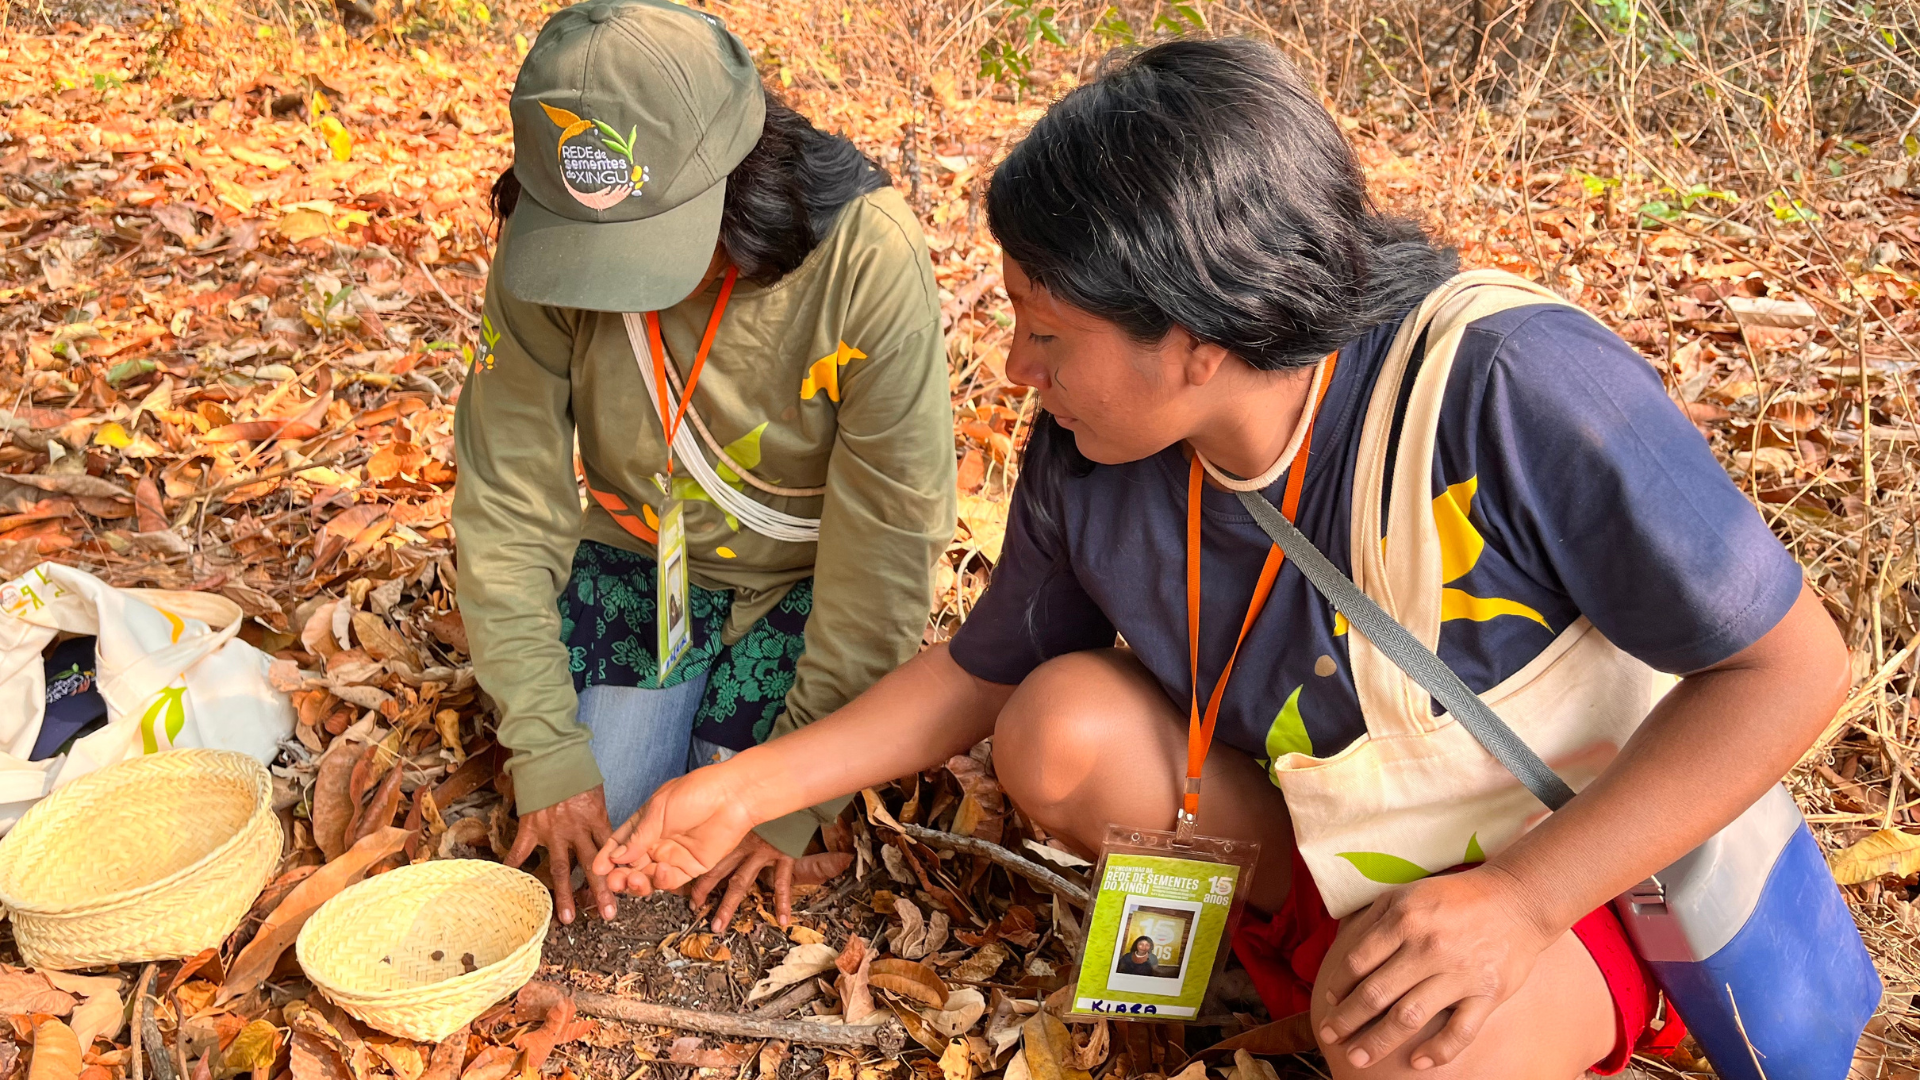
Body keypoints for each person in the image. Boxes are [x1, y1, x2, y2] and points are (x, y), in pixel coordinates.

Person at [594, 38, 1849, 1079]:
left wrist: (1520, 903)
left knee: (1413, 1049)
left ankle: (1517, 1002)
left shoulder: (1505, 386)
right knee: (1055, 725)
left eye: (1047, 333)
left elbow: (1791, 672)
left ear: (1190, 337)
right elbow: (980, 675)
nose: (1018, 370)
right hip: (1336, 829)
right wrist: (747, 788)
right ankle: (1309, 955)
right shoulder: (1098, 449)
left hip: (1576, 865)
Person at [454, 0, 954, 927]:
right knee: (613, 810)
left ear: (743, 171)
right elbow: (506, 502)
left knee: (720, 816)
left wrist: (796, 798)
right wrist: (544, 751)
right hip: (639, 557)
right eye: (586, 247)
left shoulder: (866, 257)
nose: (606, 284)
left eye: (640, 246)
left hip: (805, 582)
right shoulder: (541, 244)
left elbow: (885, 553)